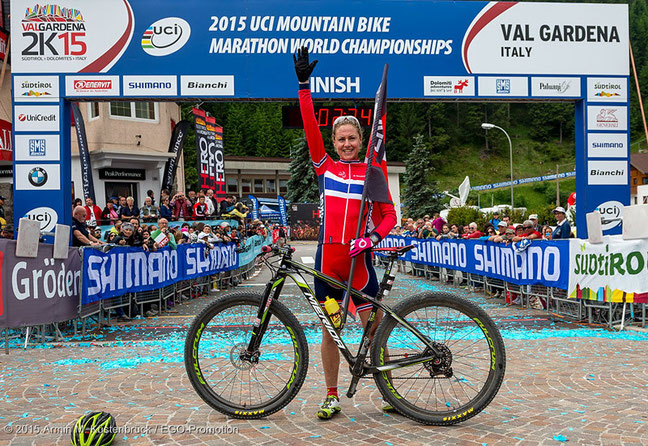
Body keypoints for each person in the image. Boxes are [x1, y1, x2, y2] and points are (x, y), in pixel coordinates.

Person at [295, 46, 397, 420]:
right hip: (329, 264)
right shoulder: (326, 168)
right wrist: (304, 86)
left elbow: (389, 216)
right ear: (334, 143)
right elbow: (309, 125)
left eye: (353, 138)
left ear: (362, 139)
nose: (348, 143)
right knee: (330, 332)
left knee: (373, 329)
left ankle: (389, 390)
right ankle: (332, 395)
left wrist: (372, 238)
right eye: (341, 139)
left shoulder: (374, 170)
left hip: (360, 263)